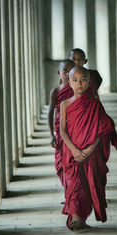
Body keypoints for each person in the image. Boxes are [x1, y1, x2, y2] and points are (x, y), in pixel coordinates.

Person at [60, 66, 117, 231]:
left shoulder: (94, 104)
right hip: (71, 153)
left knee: (87, 186)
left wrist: (88, 150)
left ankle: (81, 218)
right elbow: (62, 131)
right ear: (69, 83)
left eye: (83, 80)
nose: (79, 83)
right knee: (74, 185)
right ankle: (76, 218)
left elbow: (101, 131)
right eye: (75, 80)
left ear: (88, 82)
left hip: (90, 154)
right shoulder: (65, 105)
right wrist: (74, 150)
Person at [48, 59, 75, 193]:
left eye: (71, 70)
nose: (68, 74)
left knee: (73, 162)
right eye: (65, 71)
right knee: (60, 163)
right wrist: (51, 135)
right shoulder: (56, 91)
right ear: (59, 73)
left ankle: (73, 194)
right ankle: (68, 192)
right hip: (60, 131)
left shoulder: (78, 90)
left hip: (75, 131)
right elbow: (50, 113)